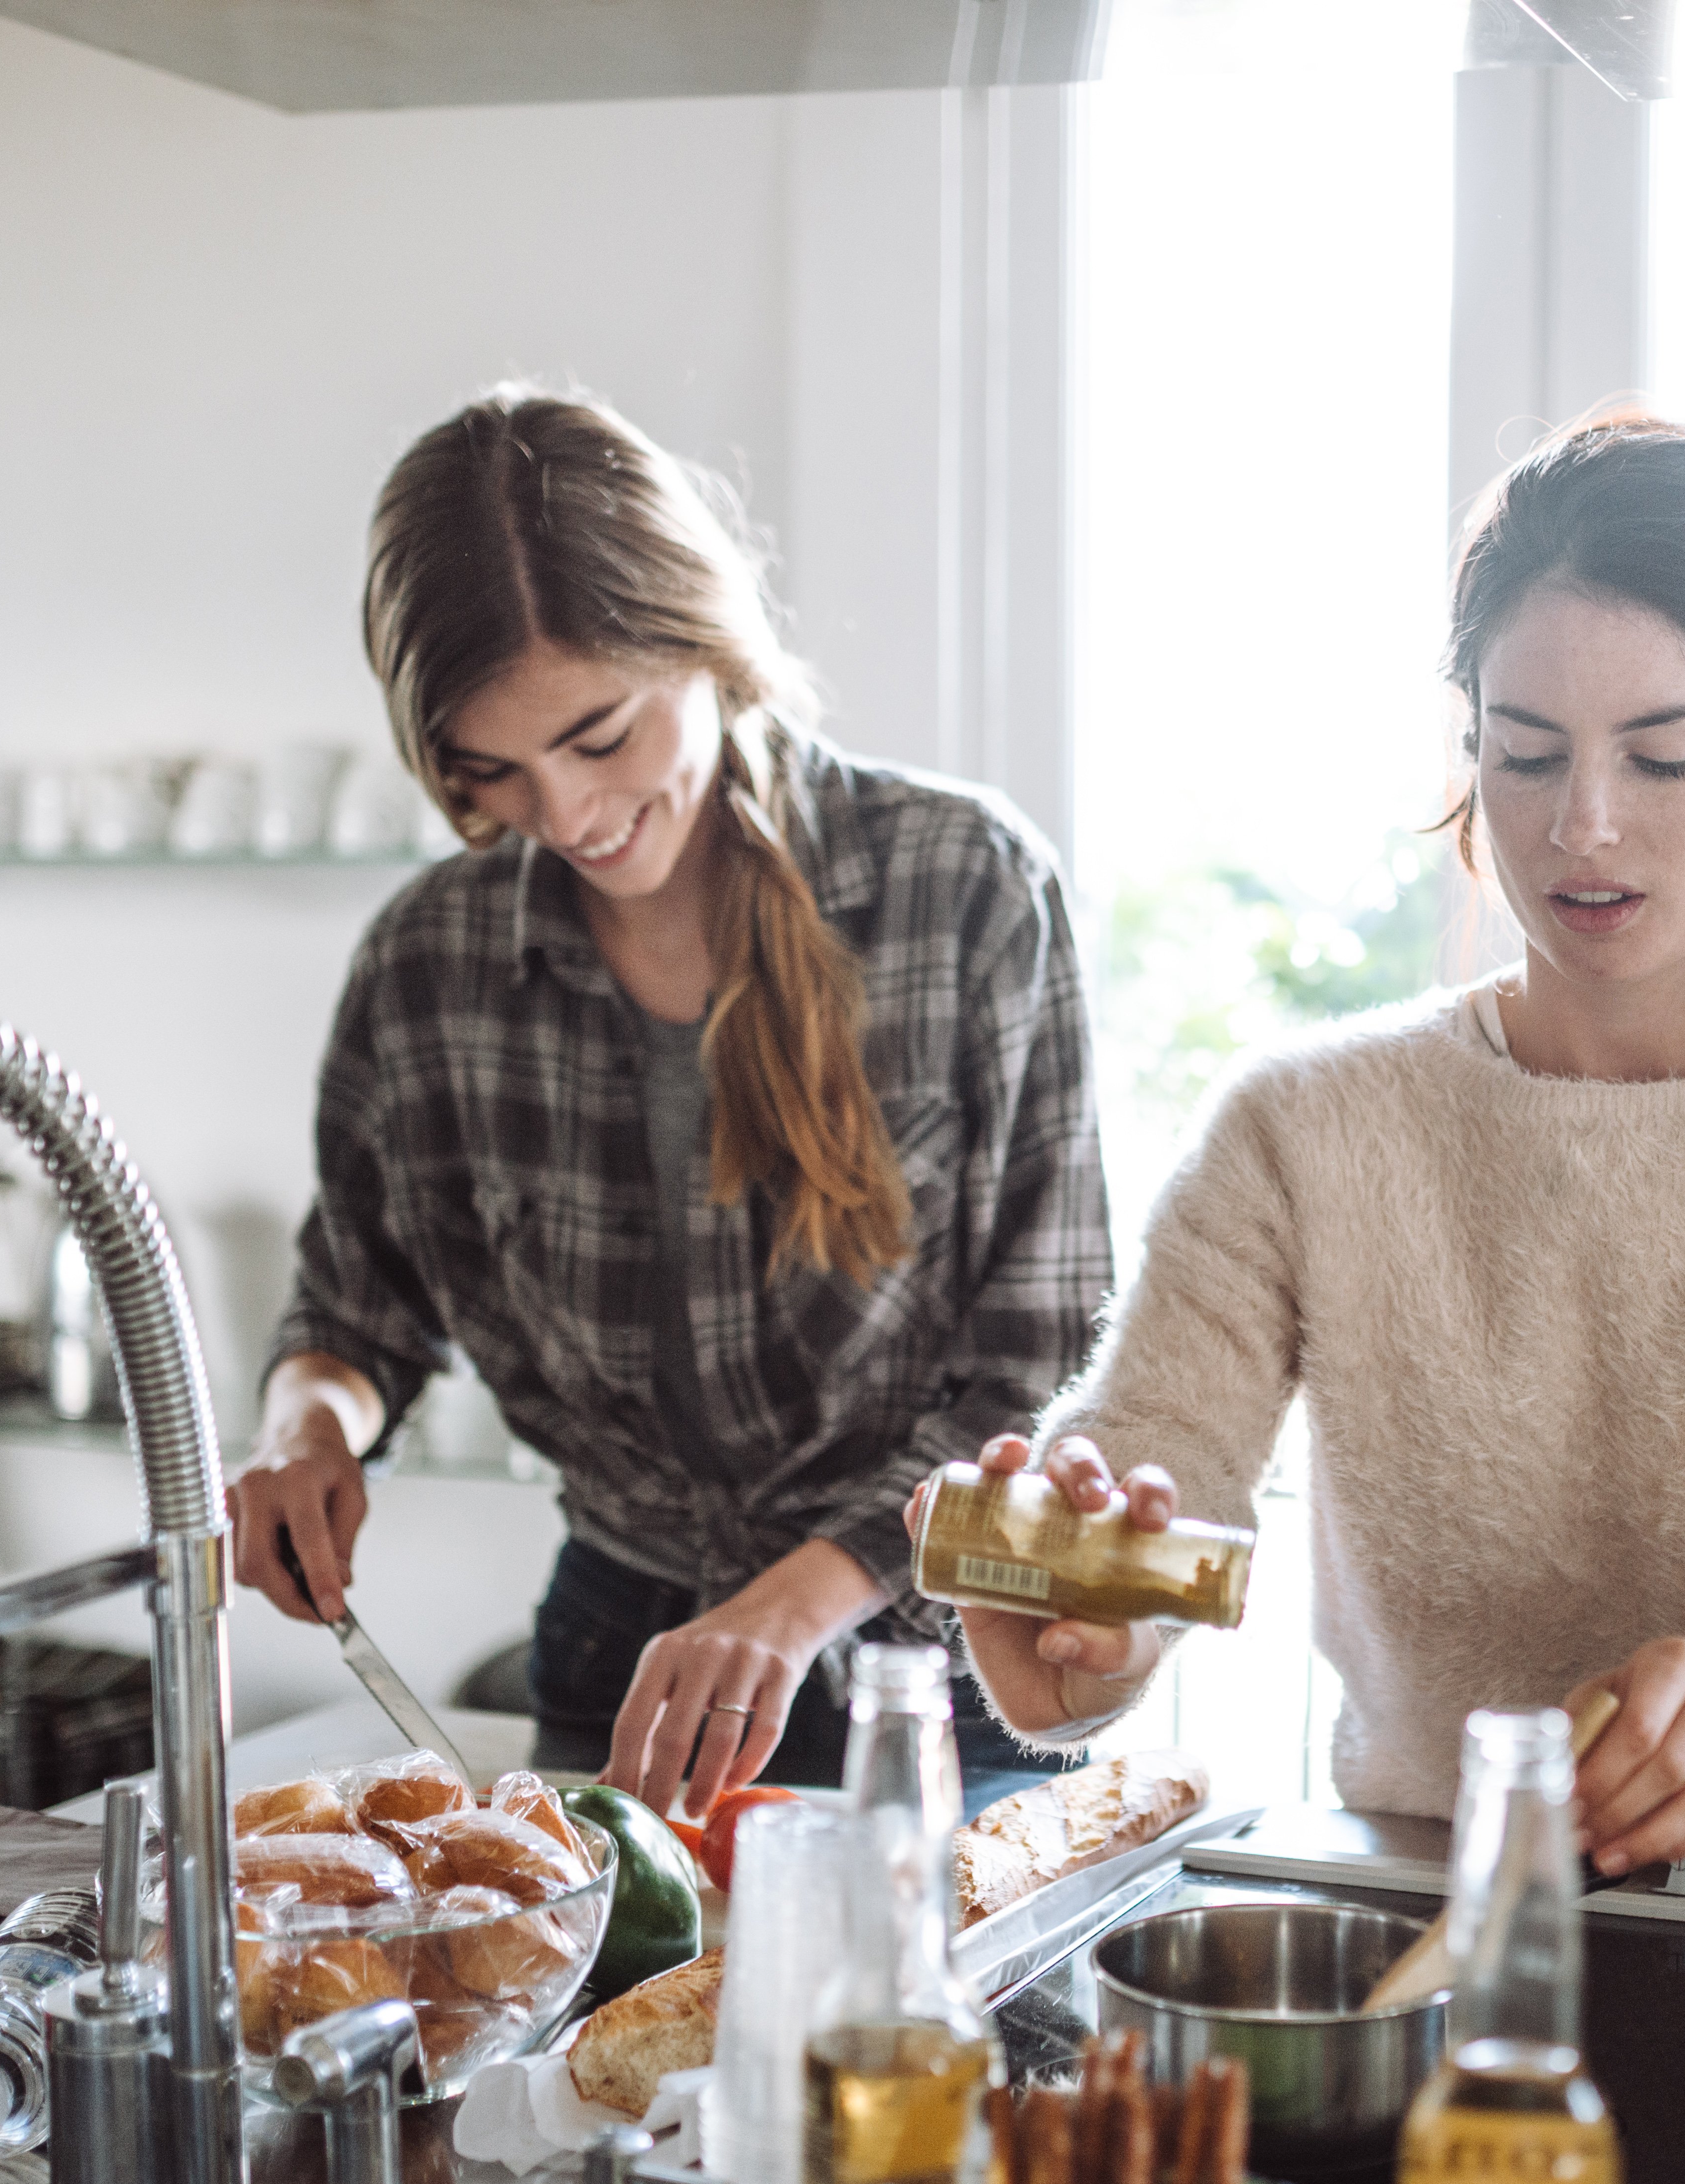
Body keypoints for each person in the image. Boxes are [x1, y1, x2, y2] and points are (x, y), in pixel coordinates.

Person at [941, 413, 1685, 1878]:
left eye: (1663, 758)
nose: (1583, 827)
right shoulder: (1306, 1129)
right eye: (1526, 754)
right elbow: (1157, 1457)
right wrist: (1079, 1616)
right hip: (1445, 1920)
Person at [239, 387, 1109, 1814]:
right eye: (492, 773)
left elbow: (1046, 1368)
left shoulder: (966, 893)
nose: (569, 817)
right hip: (621, 1667)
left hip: (944, 1676)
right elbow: (354, 1309)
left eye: (601, 735)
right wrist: (307, 1428)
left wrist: (790, 1604)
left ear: (706, 643)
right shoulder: (427, 965)